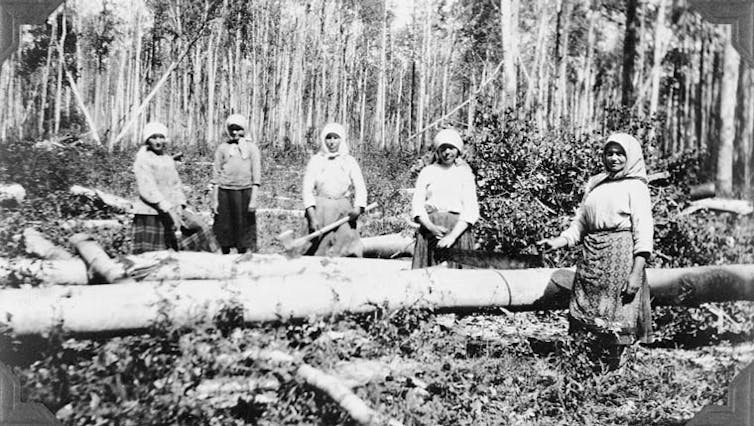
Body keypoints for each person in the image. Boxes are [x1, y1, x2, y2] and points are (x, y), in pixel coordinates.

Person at [537, 133, 653, 370]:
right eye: (609, 153)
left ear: (630, 156)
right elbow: (580, 223)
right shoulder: (596, 184)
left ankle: (614, 370)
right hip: (591, 255)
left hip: (619, 255)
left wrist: (635, 274)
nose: (614, 158)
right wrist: (558, 241)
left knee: (617, 311)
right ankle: (582, 366)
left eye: (620, 153)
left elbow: (644, 234)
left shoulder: (636, 187)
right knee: (584, 309)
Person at [132, 122, 218, 254]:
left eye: (161, 137)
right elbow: (148, 188)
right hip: (151, 211)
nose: (158, 141)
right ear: (147, 140)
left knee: (200, 227)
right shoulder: (143, 159)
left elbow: (176, 184)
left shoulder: (167, 159)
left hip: (172, 207)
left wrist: (179, 204)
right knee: (155, 253)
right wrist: (167, 208)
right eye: (154, 137)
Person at [410, 128, 479, 269]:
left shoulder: (464, 173)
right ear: (437, 151)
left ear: (458, 150)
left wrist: (452, 236)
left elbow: (471, 210)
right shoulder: (427, 172)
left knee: (458, 279)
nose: (447, 152)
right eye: (443, 148)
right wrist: (432, 228)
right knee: (427, 278)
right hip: (430, 232)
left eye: (451, 148)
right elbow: (417, 207)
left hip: (458, 231)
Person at [301, 122, 367, 257]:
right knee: (316, 250)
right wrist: (312, 217)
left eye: (335, 138)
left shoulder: (349, 161)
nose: (332, 142)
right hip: (320, 210)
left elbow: (360, 187)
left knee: (346, 249)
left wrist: (358, 208)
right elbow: (307, 190)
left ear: (341, 139)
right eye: (328, 138)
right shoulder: (316, 160)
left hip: (342, 211)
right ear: (323, 140)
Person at [210, 114, 262, 254]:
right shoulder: (222, 148)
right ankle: (225, 258)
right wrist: (215, 200)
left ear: (245, 129)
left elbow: (256, 177)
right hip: (225, 192)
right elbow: (216, 176)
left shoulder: (252, 149)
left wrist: (253, 199)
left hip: (244, 192)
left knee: (243, 229)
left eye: (238, 129)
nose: (235, 133)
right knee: (225, 228)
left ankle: (242, 258)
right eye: (232, 129)